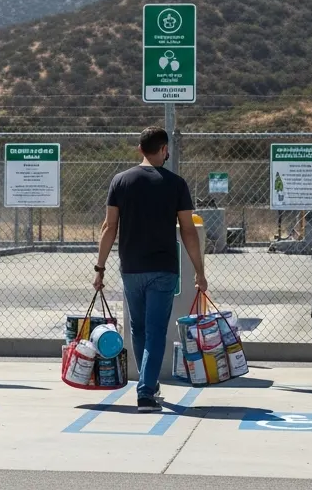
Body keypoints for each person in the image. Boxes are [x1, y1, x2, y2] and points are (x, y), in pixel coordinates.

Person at [95, 126, 208, 412]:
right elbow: (188, 232)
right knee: (156, 330)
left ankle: (149, 381)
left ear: (140, 150)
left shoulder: (120, 181)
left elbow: (109, 227)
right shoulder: (176, 184)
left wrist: (100, 268)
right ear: (163, 149)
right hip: (163, 269)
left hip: (131, 268)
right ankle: (145, 391)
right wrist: (199, 271)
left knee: (139, 328)